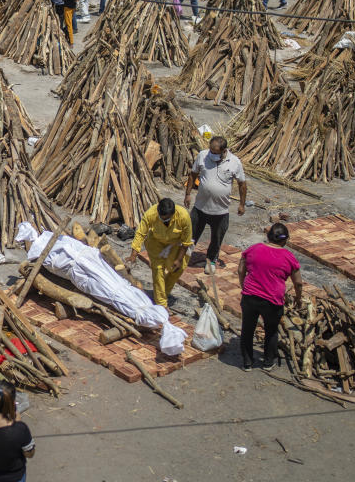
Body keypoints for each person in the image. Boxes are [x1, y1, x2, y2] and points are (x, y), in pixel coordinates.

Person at [238, 223, 303, 371]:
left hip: (250, 297)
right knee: (271, 331)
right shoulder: (288, 257)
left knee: (247, 329)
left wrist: (243, 286)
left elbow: (241, 270)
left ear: (268, 237)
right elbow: (298, 283)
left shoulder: (253, 249)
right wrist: (298, 298)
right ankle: (268, 363)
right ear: (285, 240)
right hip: (272, 301)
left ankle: (247, 363)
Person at [184, 135, 246, 273]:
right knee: (190, 234)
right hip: (200, 207)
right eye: (211, 151)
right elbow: (193, 174)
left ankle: (211, 260)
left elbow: (242, 184)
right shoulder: (203, 156)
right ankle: (185, 254)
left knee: (217, 238)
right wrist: (188, 194)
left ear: (224, 151)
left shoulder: (234, 162)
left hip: (220, 211)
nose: (212, 154)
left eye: (215, 152)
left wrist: (242, 204)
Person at [125, 198, 193, 309]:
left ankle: (163, 293)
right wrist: (133, 254)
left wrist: (179, 259)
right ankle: (161, 304)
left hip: (175, 244)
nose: (164, 221)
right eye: (162, 218)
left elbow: (186, 242)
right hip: (156, 243)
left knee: (177, 269)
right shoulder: (150, 214)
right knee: (158, 270)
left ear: (173, 214)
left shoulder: (184, 216)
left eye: (167, 219)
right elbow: (140, 233)